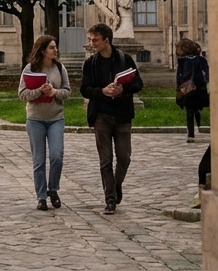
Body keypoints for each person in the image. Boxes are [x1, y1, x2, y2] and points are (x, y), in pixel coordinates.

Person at [80, 22, 143, 214]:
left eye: (95, 40)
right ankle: (110, 199)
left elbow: (138, 84)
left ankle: (116, 186)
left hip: (122, 115)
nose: (92, 43)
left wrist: (124, 88)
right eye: (90, 39)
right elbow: (84, 88)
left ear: (107, 41)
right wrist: (102, 91)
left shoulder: (125, 60)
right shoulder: (90, 63)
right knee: (105, 160)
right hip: (101, 115)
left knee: (124, 157)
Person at [18, 34, 70, 211]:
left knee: (57, 156)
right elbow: (22, 94)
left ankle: (53, 189)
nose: (55, 50)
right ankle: (41, 196)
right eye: (51, 47)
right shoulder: (30, 69)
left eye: (55, 47)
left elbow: (67, 92)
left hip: (56, 117)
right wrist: (39, 91)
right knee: (38, 161)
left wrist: (54, 92)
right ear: (42, 50)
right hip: (35, 119)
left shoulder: (60, 68)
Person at [174, 38, 209, 143]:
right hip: (199, 88)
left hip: (188, 90)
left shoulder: (183, 61)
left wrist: (179, 87)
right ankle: (196, 125)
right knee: (194, 110)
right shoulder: (202, 59)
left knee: (189, 112)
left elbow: (179, 76)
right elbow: (206, 74)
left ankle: (191, 135)